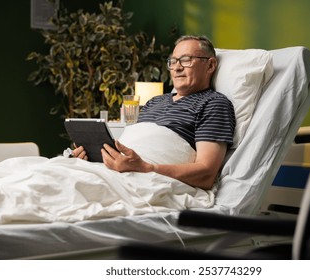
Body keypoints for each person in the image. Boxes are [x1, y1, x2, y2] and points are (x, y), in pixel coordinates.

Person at [72, 35, 236, 190]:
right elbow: (136, 148)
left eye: (186, 60)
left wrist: (146, 168)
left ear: (210, 65)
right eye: (173, 61)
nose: (177, 67)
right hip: (113, 172)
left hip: (147, 179)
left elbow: (206, 174)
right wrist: (96, 156)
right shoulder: (154, 101)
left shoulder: (214, 103)